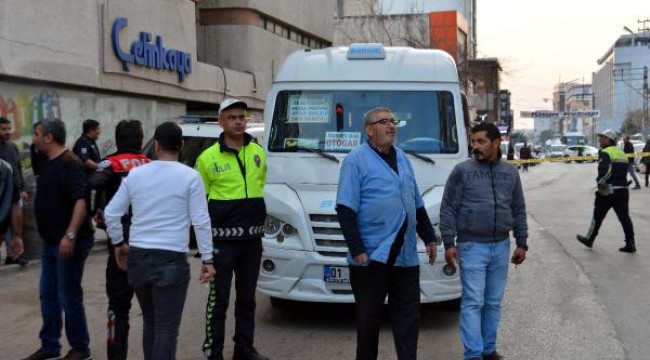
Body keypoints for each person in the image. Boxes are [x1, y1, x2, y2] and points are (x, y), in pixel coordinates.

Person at [104, 122, 216, 360]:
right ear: (182, 145)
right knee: (166, 328)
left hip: (138, 258)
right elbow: (201, 221)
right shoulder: (191, 177)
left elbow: (111, 214)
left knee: (151, 322)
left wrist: (118, 245)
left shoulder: (136, 174)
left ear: (156, 146)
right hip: (171, 260)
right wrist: (207, 258)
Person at [336, 106, 438, 360]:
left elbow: (415, 202)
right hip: (372, 256)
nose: (391, 126)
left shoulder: (403, 158)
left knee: (408, 319)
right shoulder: (355, 160)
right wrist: (357, 248)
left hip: (405, 256)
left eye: (393, 121)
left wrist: (429, 236)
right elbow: (345, 208)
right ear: (369, 130)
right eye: (384, 122)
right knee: (369, 322)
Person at [440, 122, 528, 360]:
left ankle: (489, 350)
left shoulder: (510, 173)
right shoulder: (462, 171)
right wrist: (449, 242)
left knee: (493, 303)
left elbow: (518, 209)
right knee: (473, 302)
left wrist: (522, 242)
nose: (475, 146)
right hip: (471, 246)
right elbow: (448, 209)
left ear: (496, 142)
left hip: (501, 246)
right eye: (473, 141)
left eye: (481, 142)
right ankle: (473, 355)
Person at [195, 98, 269, 360]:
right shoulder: (206, 159)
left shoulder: (258, 153)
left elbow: (261, 186)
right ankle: (213, 352)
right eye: (232, 117)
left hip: (252, 242)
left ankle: (244, 348)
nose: (238, 121)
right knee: (219, 302)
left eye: (241, 116)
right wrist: (203, 248)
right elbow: (198, 206)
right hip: (221, 244)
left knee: (247, 300)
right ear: (221, 121)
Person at [23, 119, 95, 360]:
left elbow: (81, 201)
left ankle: (80, 348)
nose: (33, 138)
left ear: (48, 138)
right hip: (51, 241)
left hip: (70, 241)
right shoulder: (48, 162)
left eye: (36, 134)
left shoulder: (70, 163)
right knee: (48, 293)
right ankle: (50, 346)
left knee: (68, 294)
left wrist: (70, 235)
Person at [89, 120, 151, 360]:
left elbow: (93, 185)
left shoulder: (109, 162)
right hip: (148, 239)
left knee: (118, 307)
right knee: (153, 313)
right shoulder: (151, 164)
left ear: (116, 140)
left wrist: (97, 213)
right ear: (140, 138)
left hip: (121, 239)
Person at [577, 129, 636, 253]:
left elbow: (606, 171)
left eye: (602, 138)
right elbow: (624, 171)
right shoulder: (621, 152)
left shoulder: (605, 152)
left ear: (609, 140)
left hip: (608, 191)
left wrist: (601, 185)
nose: (600, 140)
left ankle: (589, 239)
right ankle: (630, 243)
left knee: (597, 216)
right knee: (625, 218)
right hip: (623, 190)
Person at [0, 117, 29, 265]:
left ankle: (13, 255)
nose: (7, 132)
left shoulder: (12, 147)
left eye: (8, 129)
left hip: (15, 192)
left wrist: (22, 188)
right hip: (2, 194)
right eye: (3, 129)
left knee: (15, 224)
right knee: (4, 224)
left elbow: (18, 168)